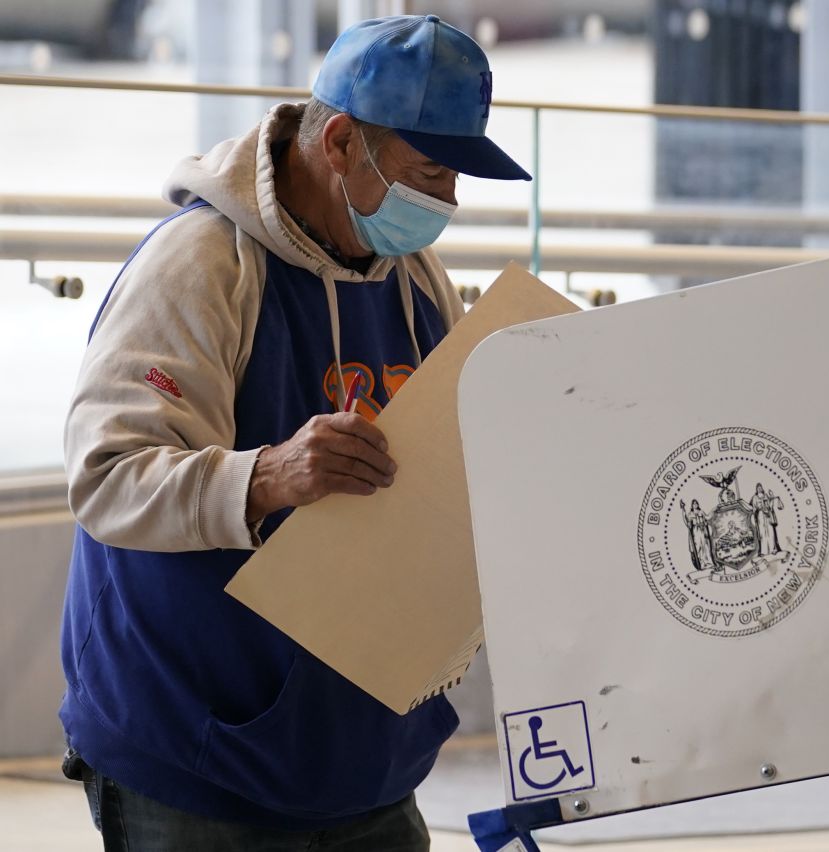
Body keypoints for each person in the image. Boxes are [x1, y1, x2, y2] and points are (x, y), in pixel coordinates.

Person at [58, 15, 530, 850]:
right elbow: (108, 477)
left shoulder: (414, 278)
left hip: (365, 758)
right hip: (198, 750)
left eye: (456, 178)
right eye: (429, 174)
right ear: (342, 142)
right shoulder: (201, 267)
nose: (446, 204)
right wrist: (267, 476)